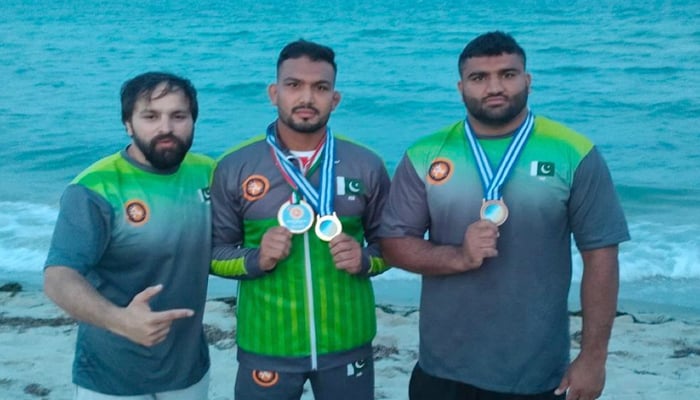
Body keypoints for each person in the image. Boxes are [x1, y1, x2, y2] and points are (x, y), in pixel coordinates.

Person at [379, 31, 630, 400]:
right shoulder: (425, 153)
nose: (494, 87)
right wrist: (458, 256)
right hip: (441, 367)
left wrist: (593, 358)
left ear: (527, 80)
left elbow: (602, 256)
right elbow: (394, 243)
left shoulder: (574, 151)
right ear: (460, 86)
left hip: (536, 372)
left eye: (507, 75)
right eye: (479, 78)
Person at [210, 39, 391, 400]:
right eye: (294, 85)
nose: (307, 98)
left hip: (348, 341)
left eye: (320, 87)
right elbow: (212, 254)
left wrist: (366, 259)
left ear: (334, 99)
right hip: (266, 343)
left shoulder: (366, 164)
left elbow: (394, 245)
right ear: (274, 92)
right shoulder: (235, 166)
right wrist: (255, 259)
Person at [44, 72, 215, 399]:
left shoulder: (210, 173)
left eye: (178, 116)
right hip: (111, 374)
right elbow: (58, 276)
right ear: (128, 124)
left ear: (193, 120)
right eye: (150, 116)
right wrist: (121, 321)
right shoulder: (95, 188)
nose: (166, 127)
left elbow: (237, 244)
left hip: (188, 369)